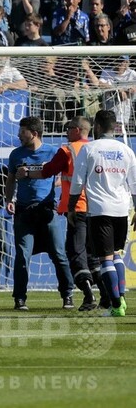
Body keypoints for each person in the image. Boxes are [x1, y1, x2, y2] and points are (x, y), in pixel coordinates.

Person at [16, 116, 98, 310]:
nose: (66, 131)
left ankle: (84, 295)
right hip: (98, 209)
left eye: (69, 128)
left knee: (72, 254)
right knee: (100, 255)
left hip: (75, 209)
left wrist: (27, 174)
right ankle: (111, 297)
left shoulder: (65, 150)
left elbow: (49, 171)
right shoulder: (97, 148)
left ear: (77, 130)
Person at [4, 116, 75, 311]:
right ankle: (19, 298)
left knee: (59, 254)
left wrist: (51, 182)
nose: (19, 135)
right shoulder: (16, 155)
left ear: (34, 133)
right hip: (24, 211)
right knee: (22, 256)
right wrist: (9, 200)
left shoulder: (54, 152)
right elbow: (10, 180)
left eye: (23, 131)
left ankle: (68, 294)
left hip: (47, 211)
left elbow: (64, 177)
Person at [69, 110, 136, 317]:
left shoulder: (89, 149)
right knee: (116, 254)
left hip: (99, 210)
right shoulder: (126, 150)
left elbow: (77, 182)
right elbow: (134, 184)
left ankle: (116, 305)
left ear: (97, 126)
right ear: (115, 127)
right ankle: (121, 299)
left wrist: (71, 207)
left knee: (105, 259)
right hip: (121, 210)